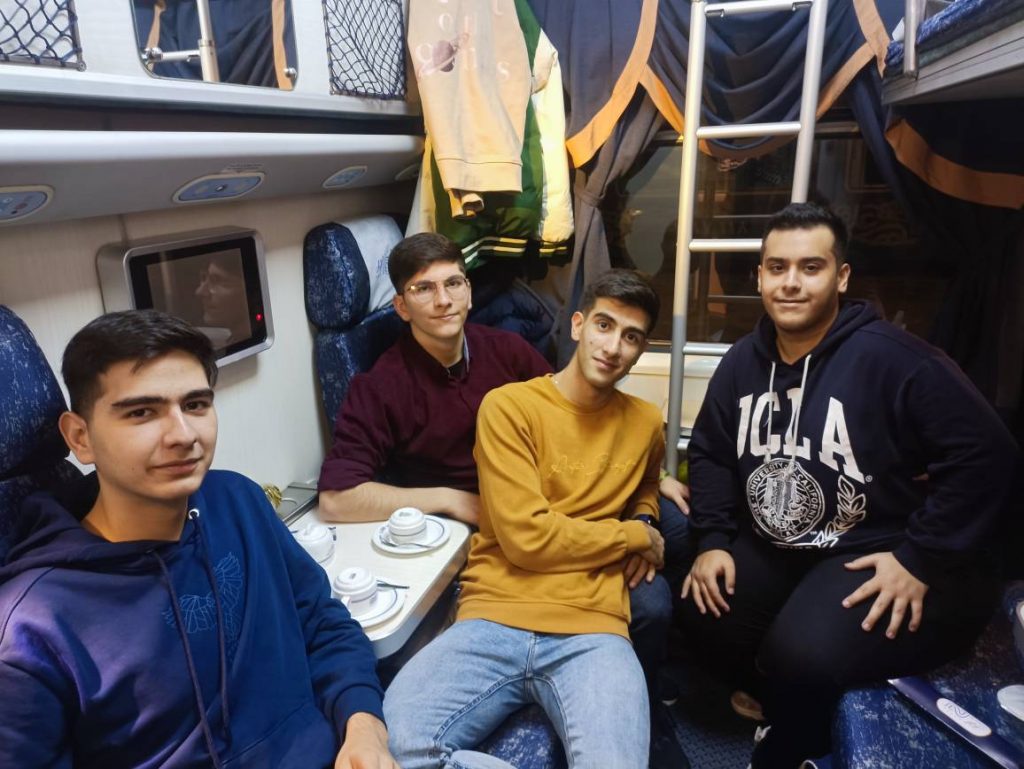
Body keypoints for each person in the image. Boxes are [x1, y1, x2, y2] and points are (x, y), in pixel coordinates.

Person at [680, 202, 1019, 768]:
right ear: (759, 277)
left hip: (873, 544)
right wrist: (713, 539)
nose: (791, 282)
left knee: (801, 654)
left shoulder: (895, 358)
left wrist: (921, 558)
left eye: (810, 267)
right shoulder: (741, 362)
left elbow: (989, 455)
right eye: (778, 267)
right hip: (780, 545)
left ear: (840, 277)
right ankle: (773, 690)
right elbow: (711, 452)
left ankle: (794, 743)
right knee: (703, 611)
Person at [0, 310, 398, 769]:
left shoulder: (238, 501)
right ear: (80, 437)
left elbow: (322, 623)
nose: (183, 435)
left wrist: (365, 727)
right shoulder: (33, 627)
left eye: (194, 405)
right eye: (142, 412)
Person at [316, 233, 691, 695]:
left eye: (453, 283)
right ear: (401, 307)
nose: (443, 300)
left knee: (677, 528)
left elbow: (569, 410)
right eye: (424, 289)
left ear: (469, 292)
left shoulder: (504, 350)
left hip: (545, 488)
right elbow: (337, 499)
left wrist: (651, 474)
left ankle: (657, 671)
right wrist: (452, 499)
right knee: (646, 593)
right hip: (487, 523)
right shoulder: (382, 387)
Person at [383, 269, 668, 768]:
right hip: (495, 615)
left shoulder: (645, 422)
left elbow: (645, 480)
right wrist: (633, 536)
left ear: (641, 350)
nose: (613, 347)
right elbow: (527, 539)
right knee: (393, 745)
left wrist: (646, 515)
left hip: (592, 626)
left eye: (631, 337)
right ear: (578, 325)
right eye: (604, 325)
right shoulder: (509, 408)